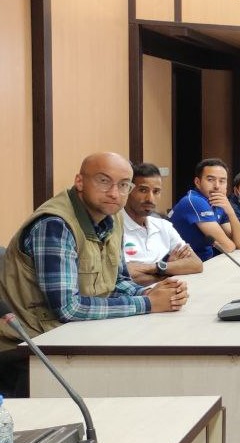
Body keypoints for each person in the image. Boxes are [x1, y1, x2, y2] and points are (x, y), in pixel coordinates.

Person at [0, 152, 188, 396]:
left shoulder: (112, 218)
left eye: (124, 185)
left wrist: (152, 293)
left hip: (71, 336)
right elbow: (68, 308)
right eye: (103, 181)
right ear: (80, 181)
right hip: (28, 348)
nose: (114, 193)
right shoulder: (55, 225)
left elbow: (118, 281)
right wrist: (148, 303)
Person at [122, 162, 203, 285]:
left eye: (156, 191)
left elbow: (196, 264)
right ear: (128, 190)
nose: (150, 198)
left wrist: (159, 267)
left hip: (165, 290)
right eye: (143, 190)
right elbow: (122, 276)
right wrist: (171, 270)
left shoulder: (163, 225)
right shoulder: (113, 227)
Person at [169, 158, 240, 261]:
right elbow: (227, 247)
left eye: (222, 181)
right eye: (210, 180)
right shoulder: (195, 201)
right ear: (197, 182)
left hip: (204, 261)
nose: (217, 186)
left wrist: (230, 211)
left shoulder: (219, 202)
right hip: (181, 265)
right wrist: (232, 243)